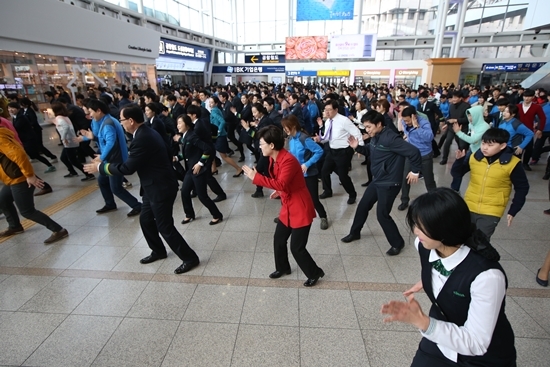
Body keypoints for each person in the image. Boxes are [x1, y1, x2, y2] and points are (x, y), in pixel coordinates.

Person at [381, 188, 516, 367]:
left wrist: (422, 322)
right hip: (439, 342)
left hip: (482, 357)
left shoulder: (487, 276)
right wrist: (428, 279)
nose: (415, 232)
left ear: (445, 229)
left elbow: (476, 343)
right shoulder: (424, 246)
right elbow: (443, 269)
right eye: (415, 224)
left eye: (422, 227)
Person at [84, 105, 200, 274]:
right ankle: (158, 251)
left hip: (160, 189)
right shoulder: (146, 132)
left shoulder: (143, 137)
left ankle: (190, 258)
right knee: (145, 220)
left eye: (122, 120)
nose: (121, 123)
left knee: (165, 226)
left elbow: (127, 168)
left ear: (131, 121)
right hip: (151, 187)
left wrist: (102, 167)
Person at [243, 126, 324, 286]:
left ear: (271, 145)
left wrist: (256, 177)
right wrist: (279, 191)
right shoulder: (274, 158)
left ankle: (315, 272)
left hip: (300, 206)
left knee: (297, 247)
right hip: (288, 204)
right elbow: (284, 183)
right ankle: (283, 268)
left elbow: (281, 182)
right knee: (279, 239)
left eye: (261, 143)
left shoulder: (288, 160)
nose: (260, 146)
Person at [342, 112, 422, 256]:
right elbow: (371, 151)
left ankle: (397, 243)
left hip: (390, 183)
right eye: (365, 127)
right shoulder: (375, 137)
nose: (367, 130)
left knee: (382, 215)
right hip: (378, 179)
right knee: (363, 206)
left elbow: (414, 152)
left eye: (369, 127)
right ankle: (355, 233)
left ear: (379, 124)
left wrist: (415, 171)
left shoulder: (390, 138)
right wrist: (357, 147)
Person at [451, 128, 529, 240]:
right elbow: (457, 174)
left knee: (480, 243)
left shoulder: (513, 163)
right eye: (483, 143)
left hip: (492, 211)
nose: (484, 147)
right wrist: (458, 161)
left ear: (502, 146)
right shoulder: (475, 157)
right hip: (469, 206)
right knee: (462, 239)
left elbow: (522, 188)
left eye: (490, 145)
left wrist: (513, 210)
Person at [0, 125, 68, 243]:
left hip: (19, 178)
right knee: (3, 201)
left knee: (27, 211)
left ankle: (59, 230)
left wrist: (29, 175)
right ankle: (15, 226)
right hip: (10, 178)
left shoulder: (1, 137)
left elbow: (18, 154)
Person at [81, 99, 142, 217]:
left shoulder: (108, 123)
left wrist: (101, 157)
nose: (90, 115)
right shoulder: (105, 121)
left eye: (91, 112)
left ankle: (137, 206)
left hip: (115, 160)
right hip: (111, 159)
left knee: (116, 188)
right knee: (102, 181)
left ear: (99, 111)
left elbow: (111, 143)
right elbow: (104, 140)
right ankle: (110, 204)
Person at [175, 115, 223, 226]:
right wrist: (177, 158)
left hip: (198, 171)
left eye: (180, 123)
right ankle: (189, 214)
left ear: (187, 124)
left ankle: (217, 215)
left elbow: (208, 149)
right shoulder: (186, 136)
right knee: (184, 192)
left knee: (202, 196)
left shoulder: (192, 136)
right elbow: (190, 154)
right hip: (190, 170)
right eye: (177, 123)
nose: (178, 126)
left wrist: (200, 163)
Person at [282, 115, 328, 230]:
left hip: (309, 175)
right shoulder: (291, 139)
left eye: (286, 127)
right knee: (291, 196)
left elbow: (319, 151)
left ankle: (323, 217)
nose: (284, 129)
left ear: (293, 126)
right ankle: (287, 216)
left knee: (313, 199)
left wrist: (307, 164)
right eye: (283, 127)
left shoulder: (304, 138)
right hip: (296, 174)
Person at [314, 99, 364, 205]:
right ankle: (327, 191)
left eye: (329, 110)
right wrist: (321, 139)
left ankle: (352, 194)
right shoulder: (328, 121)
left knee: (343, 176)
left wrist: (360, 148)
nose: (327, 112)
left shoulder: (344, 120)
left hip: (343, 152)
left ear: (336, 110)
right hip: (332, 151)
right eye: (325, 110)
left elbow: (357, 132)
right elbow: (328, 137)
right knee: (324, 171)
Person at [398, 106, 437, 211]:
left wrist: (416, 127)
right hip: (411, 155)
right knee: (405, 179)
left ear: (413, 116)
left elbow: (429, 137)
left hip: (425, 155)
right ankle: (404, 201)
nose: (406, 123)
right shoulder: (404, 122)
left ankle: (435, 201)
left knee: (429, 181)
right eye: (404, 120)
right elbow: (405, 132)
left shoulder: (424, 123)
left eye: (407, 120)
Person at [450, 105, 491, 192]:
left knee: (476, 174)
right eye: (468, 115)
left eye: (471, 115)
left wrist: (458, 132)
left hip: (481, 154)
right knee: (459, 170)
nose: (469, 118)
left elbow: (473, 140)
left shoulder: (484, 127)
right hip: (472, 151)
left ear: (477, 115)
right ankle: (454, 189)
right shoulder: (471, 124)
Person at [7, 102, 56, 173]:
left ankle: (50, 165)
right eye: (9, 108)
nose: (10, 110)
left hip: (29, 139)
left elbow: (16, 128)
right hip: (25, 139)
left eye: (12, 108)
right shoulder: (15, 117)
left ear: (18, 108)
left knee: (35, 154)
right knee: (34, 154)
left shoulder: (21, 117)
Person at [51, 102, 95, 180]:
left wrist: (63, 138)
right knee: (64, 158)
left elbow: (65, 127)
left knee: (73, 160)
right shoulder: (65, 117)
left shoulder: (59, 118)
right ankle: (73, 171)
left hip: (68, 141)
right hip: (71, 140)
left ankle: (88, 174)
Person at [209, 97, 244, 177]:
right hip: (216, 135)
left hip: (220, 136)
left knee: (224, 156)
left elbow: (222, 121)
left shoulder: (214, 111)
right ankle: (213, 169)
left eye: (211, 102)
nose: (210, 104)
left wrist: (219, 130)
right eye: (209, 102)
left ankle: (238, 168)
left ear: (216, 103)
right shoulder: (216, 109)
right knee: (211, 152)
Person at [440, 91, 470, 165]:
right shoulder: (451, 106)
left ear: (460, 98)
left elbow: (468, 119)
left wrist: (456, 120)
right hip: (451, 128)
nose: (453, 99)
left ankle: (462, 159)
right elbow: (450, 117)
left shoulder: (467, 107)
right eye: (453, 97)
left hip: (462, 129)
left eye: (455, 98)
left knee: (462, 145)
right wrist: (446, 124)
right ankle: (444, 159)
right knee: (447, 143)